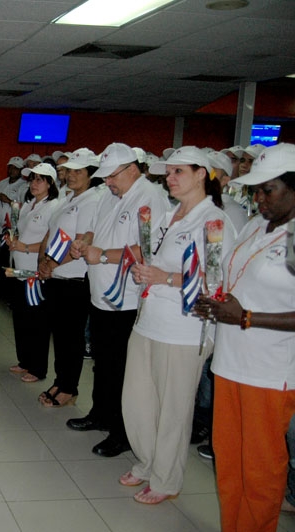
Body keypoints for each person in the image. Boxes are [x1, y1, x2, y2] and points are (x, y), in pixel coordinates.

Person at [120, 147, 236, 504]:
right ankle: (149, 460)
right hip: (149, 321)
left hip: (184, 330)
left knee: (173, 409)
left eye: (179, 172)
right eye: (167, 173)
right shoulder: (169, 216)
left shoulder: (214, 222)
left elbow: (216, 285)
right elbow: (152, 258)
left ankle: (166, 479)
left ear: (203, 174)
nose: (170, 179)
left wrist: (165, 277)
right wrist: (144, 271)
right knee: (138, 402)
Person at [194, 142, 295, 532]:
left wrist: (248, 316)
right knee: (229, 461)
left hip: (269, 372)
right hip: (231, 362)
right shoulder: (256, 224)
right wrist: (219, 302)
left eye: (268, 189)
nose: (259, 198)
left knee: (260, 469)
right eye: (256, 190)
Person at [67, 142, 170, 458]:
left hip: (125, 300)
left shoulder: (151, 198)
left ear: (133, 170)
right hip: (101, 296)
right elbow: (94, 233)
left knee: (124, 369)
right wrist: (82, 244)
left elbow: (152, 250)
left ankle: (123, 431)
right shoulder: (110, 197)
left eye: (112, 176)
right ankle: (101, 413)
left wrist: (105, 256)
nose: (107, 181)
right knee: (103, 363)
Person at [36, 148, 104, 406]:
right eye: (70, 170)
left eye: (79, 171)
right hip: (57, 275)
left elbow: (80, 244)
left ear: (91, 174)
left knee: (71, 337)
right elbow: (54, 234)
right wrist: (45, 263)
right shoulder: (70, 198)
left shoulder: (91, 200)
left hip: (73, 279)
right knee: (60, 335)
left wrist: (51, 264)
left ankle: (69, 388)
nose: (71, 175)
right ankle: (60, 380)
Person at [6, 163, 60, 382]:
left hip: (35, 272)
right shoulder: (28, 205)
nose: (34, 183)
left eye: (40, 179)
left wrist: (26, 248)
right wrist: (14, 241)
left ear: (50, 184)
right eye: (33, 179)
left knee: (36, 321)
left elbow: (52, 241)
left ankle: (38, 368)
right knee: (21, 317)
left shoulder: (53, 207)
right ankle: (25, 360)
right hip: (19, 269)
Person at [0, 156, 29, 301]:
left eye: (16, 168)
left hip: (12, 231)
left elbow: (22, 210)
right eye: (10, 167)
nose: (12, 170)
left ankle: (9, 293)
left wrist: (9, 201)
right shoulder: (2, 183)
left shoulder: (23, 186)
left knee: (9, 262)